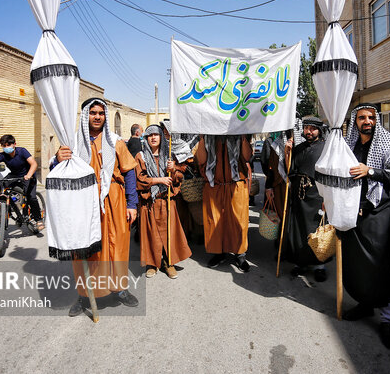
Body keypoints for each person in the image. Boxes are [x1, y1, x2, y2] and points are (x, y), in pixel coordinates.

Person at [54, 98, 140, 317]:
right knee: (86, 250)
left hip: (114, 200)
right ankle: (84, 295)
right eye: (93, 112)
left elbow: (129, 172)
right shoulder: (72, 143)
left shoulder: (115, 141)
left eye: (101, 113)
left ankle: (120, 290)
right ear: (85, 115)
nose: (97, 116)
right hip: (84, 203)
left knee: (116, 246)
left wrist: (132, 204)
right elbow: (58, 170)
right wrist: (57, 159)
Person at [339, 103, 390, 350]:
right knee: (357, 264)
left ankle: (387, 320)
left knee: (380, 266)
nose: (366, 121)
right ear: (355, 121)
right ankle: (364, 304)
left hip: (377, 215)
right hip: (352, 214)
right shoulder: (349, 144)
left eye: (370, 117)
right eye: (361, 118)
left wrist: (371, 171)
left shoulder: (386, 142)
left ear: (375, 120)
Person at [135, 124, 192, 279]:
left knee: (170, 233)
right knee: (151, 234)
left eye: (156, 134)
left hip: (167, 200)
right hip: (150, 201)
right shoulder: (141, 156)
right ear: (146, 138)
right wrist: (157, 180)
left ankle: (169, 263)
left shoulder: (169, 156)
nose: (153, 137)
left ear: (161, 137)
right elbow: (139, 180)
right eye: (150, 135)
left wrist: (174, 168)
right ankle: (152, 264)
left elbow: (179, 178)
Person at [195, 135, 253, 272]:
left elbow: (247, 157)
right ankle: (218, 253)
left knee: (238, 222)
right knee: (215, 222)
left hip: (236, 186)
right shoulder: (208, 137)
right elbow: (201, 160)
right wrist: (203, 137)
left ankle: (240, 255)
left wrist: (242, 133)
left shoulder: (239, 135)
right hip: (214, 186)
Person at [283, 116, 328, 282]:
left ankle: (319, 266)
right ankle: (300, 263)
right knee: (299, 230)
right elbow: (290, 169)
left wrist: (327, 198)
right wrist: (288, 152)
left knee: (317, 232)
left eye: (312, 128)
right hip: (299, 196)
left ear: (319, 130)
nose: (308, 131)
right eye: (306, 128)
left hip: (317, 196)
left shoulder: (326, 148)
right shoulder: (299, 147)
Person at [0, 134, 43, 231]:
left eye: (8, 145)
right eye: (4, 145)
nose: (6, 148)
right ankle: (5, 206)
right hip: (14, 175)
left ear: (14, 144)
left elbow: (34, 163)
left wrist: (28, 175)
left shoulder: (22, 151)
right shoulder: (2, 155)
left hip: (28, 175)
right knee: (1, 185)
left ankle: (38, 219)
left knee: (31, 197)